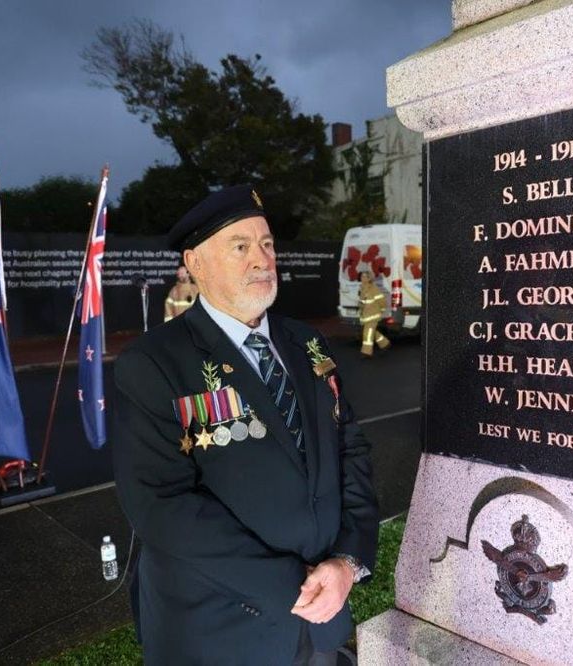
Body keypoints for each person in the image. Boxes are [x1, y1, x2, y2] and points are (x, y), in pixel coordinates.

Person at [112, 184, 379, 665]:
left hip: (322, 623)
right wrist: (293, 585)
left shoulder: (306, 343)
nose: (262, 260)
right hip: (220, 634)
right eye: (240, 246)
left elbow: (350, 450)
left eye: (267, 244)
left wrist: (348, 561)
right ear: (195, 263)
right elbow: (162, 506)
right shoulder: (153, 364)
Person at [358, 271, 390, 358]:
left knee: (367, 333)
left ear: (369, 278)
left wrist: (382, 310)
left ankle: (366, 352)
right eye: (362, 276)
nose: (363, 278)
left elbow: (382, 301)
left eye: (365, 277)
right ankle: (385, 343)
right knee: (372, 332)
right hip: (366, 316)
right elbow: (362, 302)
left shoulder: (373, 289)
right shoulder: (363, 288)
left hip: (373, 315)